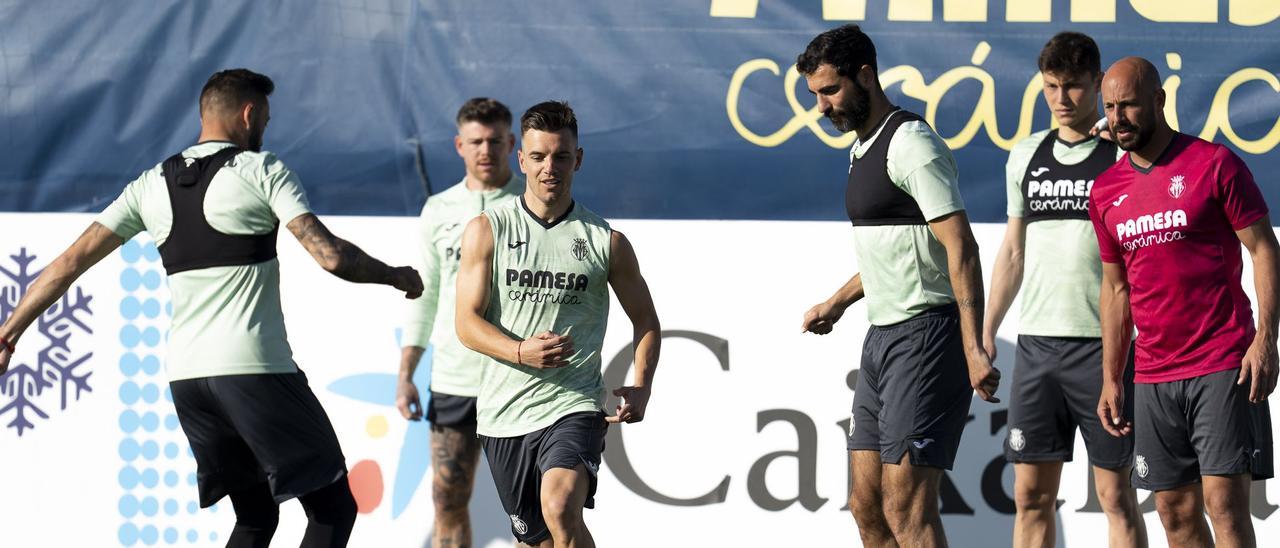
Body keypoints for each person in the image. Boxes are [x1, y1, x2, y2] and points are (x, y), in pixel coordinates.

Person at [0, 68, 423, 547]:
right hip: (255, 373)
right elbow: (330, 255)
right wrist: (396, 276)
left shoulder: (149, 185)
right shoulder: (262, 170)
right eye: (264, 118)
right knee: (333, 508)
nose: (265, 129)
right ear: (248, 114)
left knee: (256, 518)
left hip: (188, 381)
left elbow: (70, 262)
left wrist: (8, 333)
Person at [795, 24, 1000, 548]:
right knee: (868, 508)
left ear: (865, 75)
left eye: (830, 91)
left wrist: (973, 346)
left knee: (906, 506)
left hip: (927, 335)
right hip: (881, 337)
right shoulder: (862, 148)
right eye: (815, 94)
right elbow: (898, 252)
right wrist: (836, 303)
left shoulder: (912, 143)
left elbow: (960, 247)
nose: (822, 106)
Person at [453, 100, 661, 548]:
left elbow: (645, 319)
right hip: (503, 415)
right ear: (521, 159)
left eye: (562, 156)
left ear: (578, 159)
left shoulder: (606, 241)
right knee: (540, 541)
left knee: (560, 506)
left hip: (574, 404)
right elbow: (466, 325)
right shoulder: (487, 230)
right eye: (540, 156)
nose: (551, 167)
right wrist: (519, 351)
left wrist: (641, 383)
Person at [1089, 56, 1277, 548]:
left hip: (1221, 361)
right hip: (1152, 374)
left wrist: (1266, 339)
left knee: (1226, 508)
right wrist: (1113, 377)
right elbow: (1116, 289)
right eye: (1109, 107)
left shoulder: (1213, 164)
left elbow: (1263, 248)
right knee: (1173, 512)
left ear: (1157, 100)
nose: (1117, 118)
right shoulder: (1106, 191)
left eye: (1128, 104)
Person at [983, 32, 1146, 548]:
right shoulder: (1025, 155)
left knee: (1116, 497)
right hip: (1037, 347)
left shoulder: (1122, 160)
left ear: (1098, 85)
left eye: (1074, 86)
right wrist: (985, 330)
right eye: (1051, 86)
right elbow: (1013, 252)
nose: (1061, 98)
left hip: (1105, 349)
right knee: (1030, 498)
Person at [395, 97, 524, 547]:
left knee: (535, 512)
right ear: (459, 145)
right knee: (447, 499)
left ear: (512, 143)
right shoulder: (439, 209)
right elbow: (423, 295)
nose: (485, 150)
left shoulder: (534, 207)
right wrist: (407, 373)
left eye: (494, 141)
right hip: (454, 380)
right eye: (476, 142)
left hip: (518, 380)